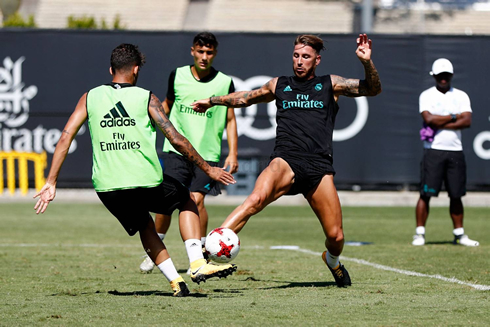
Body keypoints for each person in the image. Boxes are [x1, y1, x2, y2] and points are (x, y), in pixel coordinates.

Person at [33, 43, 238, 297]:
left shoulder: (90, 97)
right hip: (145, 181)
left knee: (145, 225)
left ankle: (176, 282)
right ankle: (197, 263)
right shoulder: (146, 97)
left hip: (108, 188)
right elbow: (176, 139)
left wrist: (51, 182)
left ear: (111, 70)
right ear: (137, 69)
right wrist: (209, 169)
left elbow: (65, 138)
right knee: (186, 200)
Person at [192, 34, 382, 287]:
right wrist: (212, 101)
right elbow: (245, 97)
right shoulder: (278, 84)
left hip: (318, 168)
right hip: (285, 160)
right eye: (296, 56)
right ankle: (207, 255)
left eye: (306, 57)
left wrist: (367, 62)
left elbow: (373, 89)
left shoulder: (331, 84)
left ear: (317, 60)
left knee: (336, 236)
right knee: (255, 199)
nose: (300, 61)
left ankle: (332, 261)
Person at [139, 32, 239, 273]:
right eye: (200, 51)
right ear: (192, 51)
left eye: (209, 52)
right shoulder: (178, 75)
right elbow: (166, 107)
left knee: (196, 200)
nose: (204, 57)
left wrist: (233, 152)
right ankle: (156, 250)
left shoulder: (225, 82)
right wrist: (147, 128)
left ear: (214, 54)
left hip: (208, 155)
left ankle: (200, 254)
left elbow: (231, 118)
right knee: (166, 203)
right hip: (175, 152)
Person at [412, 58, 479, 247]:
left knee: (456, 194)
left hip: (455, 151)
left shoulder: (461, 95)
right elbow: (429, 119)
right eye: (440, 76)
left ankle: (459, 233)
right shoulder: (427, 95)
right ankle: (419, 233)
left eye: (446, 76)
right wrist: (454, 115)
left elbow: (467, 121)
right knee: (426, 193)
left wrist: (442, 119)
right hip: (433, 151)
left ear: (451, 76)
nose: (443, 79)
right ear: (434, 76)